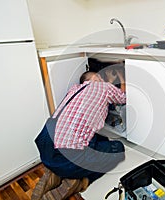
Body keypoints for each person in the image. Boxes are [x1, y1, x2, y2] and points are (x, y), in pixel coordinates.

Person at [32, 71, 126, 200]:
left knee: (99, 138)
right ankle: (80, 182)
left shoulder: (75, 89)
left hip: (47, 151)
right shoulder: (104, 87)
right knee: (118, 148)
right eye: (99, 76)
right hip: (69, 157)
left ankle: (54, 174)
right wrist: (121, 78)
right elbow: (123, 97)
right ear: (96, 78)